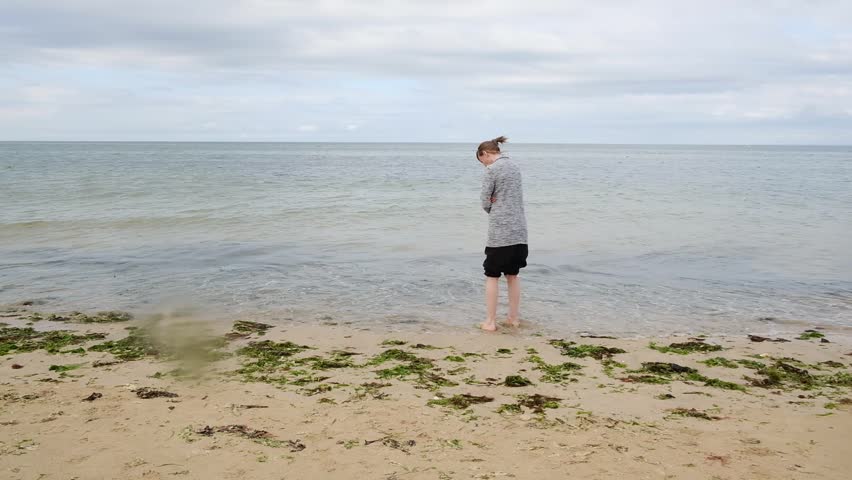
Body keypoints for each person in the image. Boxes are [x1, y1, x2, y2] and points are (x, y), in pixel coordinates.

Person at [476, 136, 528, 331]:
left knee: (492, 275)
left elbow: (484, 200)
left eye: (482, 161)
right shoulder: (515, 167)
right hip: (520, 230)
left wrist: (493, 208)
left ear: (486, 154)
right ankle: (513, 318)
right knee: (513, 275)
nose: (484, 166)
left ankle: (490, 322)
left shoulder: (492, 169)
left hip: (501, 232)